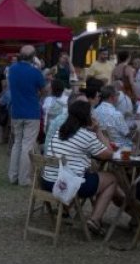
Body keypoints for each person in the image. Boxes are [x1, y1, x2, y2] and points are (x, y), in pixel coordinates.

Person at [42, 99, 120, 234]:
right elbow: (109, 154)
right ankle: (94, 220)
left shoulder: (60, 131)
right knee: (111, 179)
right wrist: (98, 131)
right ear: (86, 117)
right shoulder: (85, 136)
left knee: (89, 172)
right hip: (67, 185)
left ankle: (67, 209)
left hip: (48, 182)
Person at [7, 45, 47, 187]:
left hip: (16, 111)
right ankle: (24, 179)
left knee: (17, 143)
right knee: (27, 145)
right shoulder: (35, 72)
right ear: (33, 57)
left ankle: (13, 176)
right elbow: (44, 90)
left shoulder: (12, 69)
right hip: (31, 112)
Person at [41, 80, 69, 155]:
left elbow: (44, 114)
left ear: (52, 89)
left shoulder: (48, 100)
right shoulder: (67, 99)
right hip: (63, 129)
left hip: (49, 129)